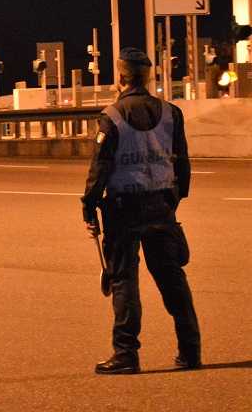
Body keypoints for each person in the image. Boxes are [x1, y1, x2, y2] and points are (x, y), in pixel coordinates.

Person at [82, 47, 200, 375]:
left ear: (121, 77)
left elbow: (100, 168)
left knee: (124, 280)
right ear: (147, 77)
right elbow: (182, 163)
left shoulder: (113, 116)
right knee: (172, 278)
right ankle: (190, 350)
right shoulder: (171, 113)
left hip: (124, 210)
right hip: (161, 206)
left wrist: (89, 206)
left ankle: (126, 354)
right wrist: (172, 200)